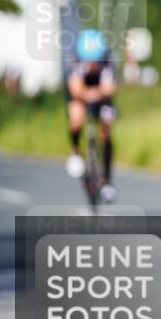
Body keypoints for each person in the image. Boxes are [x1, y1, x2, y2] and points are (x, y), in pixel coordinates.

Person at [65, 28, 118, 203]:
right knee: (76, 115)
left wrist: (98, 94)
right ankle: (75, 152)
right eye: (90, 61)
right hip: (82, 94)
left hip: (101, 96)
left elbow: (109, 88)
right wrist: (90, 94)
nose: (93, 64)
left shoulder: (108, 60)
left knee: (106, 127)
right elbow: (75, 88)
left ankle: (107, 180)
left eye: (96, 61)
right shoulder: (77, 61)